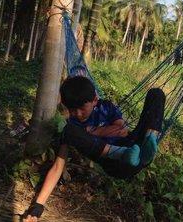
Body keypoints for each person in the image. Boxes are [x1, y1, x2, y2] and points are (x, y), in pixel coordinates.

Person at [23, 76, 165, 221]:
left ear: (95, 100)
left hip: (133, 145)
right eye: (72, 110)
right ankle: (124, 154)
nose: (77, 114)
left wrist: (90, 131)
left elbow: (122, 130)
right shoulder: (72, 126)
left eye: (81, 108)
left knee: (156, 94)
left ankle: (150, 141)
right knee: (70, 130)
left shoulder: (106, 107)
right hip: (114, 163)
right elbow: (58, 167)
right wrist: (37, 207)